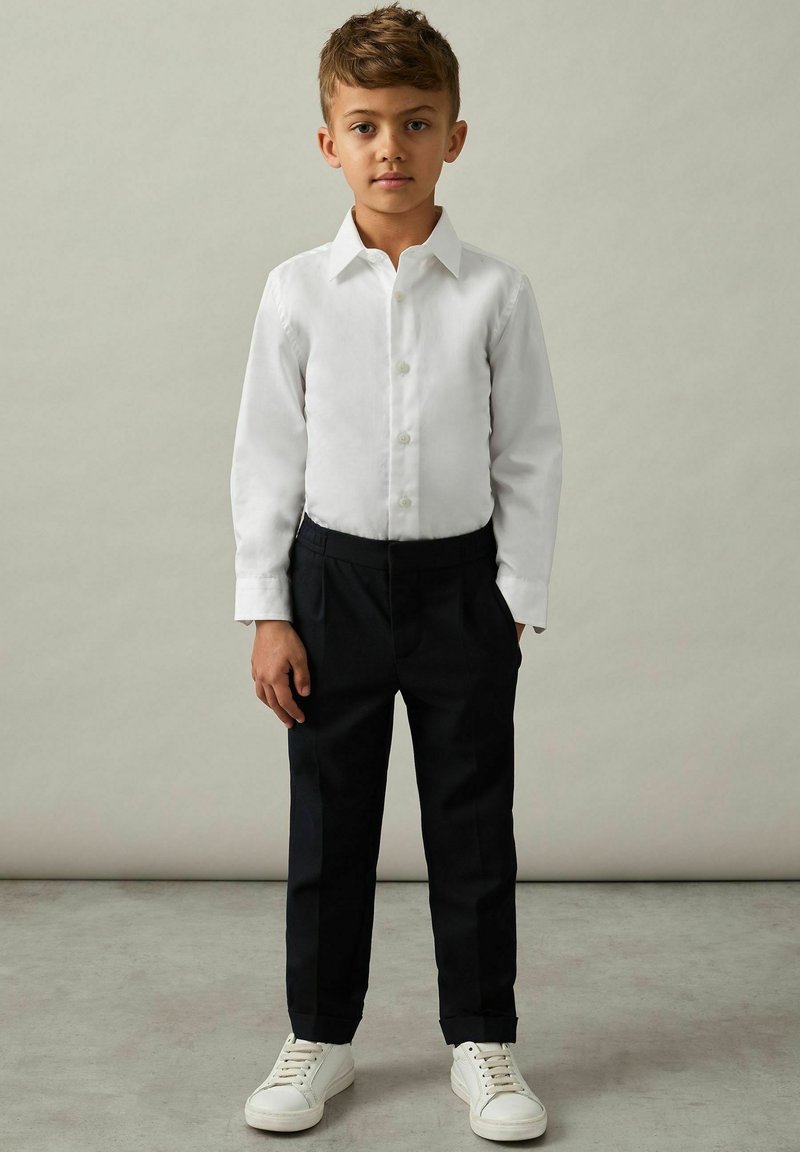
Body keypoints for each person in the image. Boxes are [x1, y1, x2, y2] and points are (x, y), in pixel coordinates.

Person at [230, 2, 562, 1141]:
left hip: (462, 590)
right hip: (332, 588)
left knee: (472, 822)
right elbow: (266, 456)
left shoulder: (495, 294)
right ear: (328, 141)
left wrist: (512, 599)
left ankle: (484, 1043)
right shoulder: (295, 292)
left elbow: (529, 451)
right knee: (329, 825)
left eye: (415, 123)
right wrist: (268, 611)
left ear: (453, 137)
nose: (390, 148)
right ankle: (319, 1039)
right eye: (365, 125)